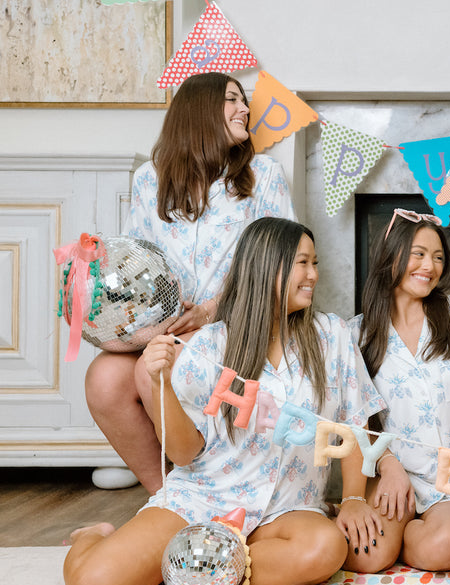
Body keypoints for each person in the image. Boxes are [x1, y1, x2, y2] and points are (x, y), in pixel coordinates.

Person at [63, 217, 384, 585]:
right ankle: (98, 536)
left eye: (314, 263)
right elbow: (184, 455)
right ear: (267, 266)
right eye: (303, 263)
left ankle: (193, 569)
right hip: (203, 499)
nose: (313, 275)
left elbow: (354, 422)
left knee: (323, 548)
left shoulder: (331, 335)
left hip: (285, 508)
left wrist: (352, 498)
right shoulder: (209, 347)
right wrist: (162, 383)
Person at [85, 71, 295, 493]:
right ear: (199, 109)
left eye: (244, 101)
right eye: (233, 99)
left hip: (231, 325)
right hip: (164, 328)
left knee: (152, 369)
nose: (245, 109)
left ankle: (201, 496)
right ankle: (166, 498)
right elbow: (136, 266)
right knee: (103, 379)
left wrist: (207, 310)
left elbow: (279, 264)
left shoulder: (264, 175)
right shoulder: (150, 178)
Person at [341, 209, 450, 573]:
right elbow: (353, 418)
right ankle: (396, 534)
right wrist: (387, 463)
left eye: (438, 257)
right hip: (392, 476)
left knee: (439, 550)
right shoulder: (355, 334)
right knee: (366, 557)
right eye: (419, 253)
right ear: (391, 255)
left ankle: (410, 533)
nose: (430, 266)